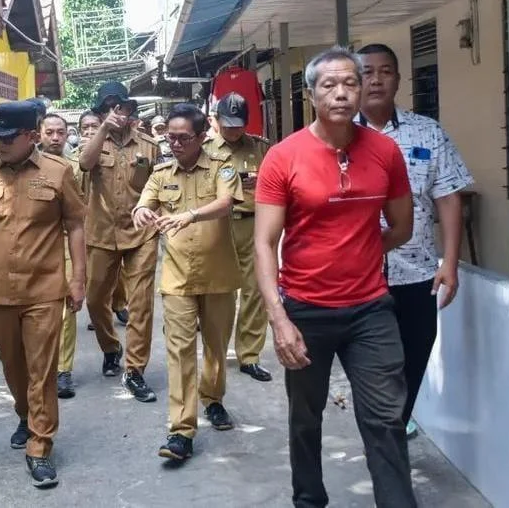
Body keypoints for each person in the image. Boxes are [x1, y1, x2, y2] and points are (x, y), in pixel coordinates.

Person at [253, 46, 416, 508]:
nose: (342, 93)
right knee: (306, 418)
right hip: (305, 309)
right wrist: (279, 319)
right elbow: (264, 244)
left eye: (350, 83)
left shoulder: (385, 151)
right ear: (311, 94)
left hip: (371, 310)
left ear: (361, 90)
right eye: (329, 85)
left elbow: (400, 227)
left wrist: (358, 252)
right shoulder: (284, 158)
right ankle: (309, 499)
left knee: (386, 418)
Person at [0, 100, 87, 488]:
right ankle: (25, 414)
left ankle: (40, 445)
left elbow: (76, 225)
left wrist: (78, 278)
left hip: (45, 288)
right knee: (12, 364)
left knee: (42, 368)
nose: (0, 145)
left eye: (8, 138)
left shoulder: (59, 172)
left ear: (31, 136)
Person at [357, 43, 473, 438]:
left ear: (399, 79)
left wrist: (450, 262)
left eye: (385, 71)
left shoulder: (428, 131)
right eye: (367, 71)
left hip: (417, 272)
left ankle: (393, 424)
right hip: (356, 278)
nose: (376, 79)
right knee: (373, 367)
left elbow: (448, 196)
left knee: (415, 354)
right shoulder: (338, 135)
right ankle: (386, 437)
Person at [133, 103, 244, 462]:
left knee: (215, 347)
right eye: (170, 137)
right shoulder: (160, 172)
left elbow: (227, 203)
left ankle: (212, 398)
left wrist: (190, 215)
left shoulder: (222, 167)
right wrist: (142, 212)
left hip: (219, 274)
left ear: (201, 137)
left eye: (183, 138)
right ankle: (181, 430)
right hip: (177, 278)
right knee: (179, 352)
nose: (175, 144)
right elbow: (142, 205)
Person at [79, 81, 160, 402]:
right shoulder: (94, 143)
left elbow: (159, 184)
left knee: (141, 305)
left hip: (141, 234)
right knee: (96, 299)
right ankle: (110, 347)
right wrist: (101, 131)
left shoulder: (149, 146)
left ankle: (135, 369)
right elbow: (84, 164)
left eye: (120, 107)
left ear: (130, 110)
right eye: (107, 108)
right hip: (100, 234)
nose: (115, 113)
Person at [204, 93, 273, 383]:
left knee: (254, 291)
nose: (233, 131)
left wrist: (262, 182)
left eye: (238, 125)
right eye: (227, 124)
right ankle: (216, 350)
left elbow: (279, 187)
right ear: (216, 120)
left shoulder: (261, 148)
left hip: (252, 224)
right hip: (217, 227)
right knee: (219, 293)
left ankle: (250, 355)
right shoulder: (203, 149)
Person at [39, 112, 81, 400]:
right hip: (35, 244)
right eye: (49, 132)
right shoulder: (24, 164)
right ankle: (40, 365)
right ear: (38, 133)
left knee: (66, 309)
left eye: (60, 132)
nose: (55, 138)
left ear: (67, 135)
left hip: (66, 241)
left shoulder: (77, 167)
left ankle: (63, 370)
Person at [79, 110, 129, 331]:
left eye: (94, 126)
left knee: (117, 273)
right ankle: (104, 313)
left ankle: (118, 304)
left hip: (111, 223)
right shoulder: (77, 152)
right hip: (85, 224)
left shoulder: (111, 148)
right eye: (85, 127)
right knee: (95, 282)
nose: (90, 131)